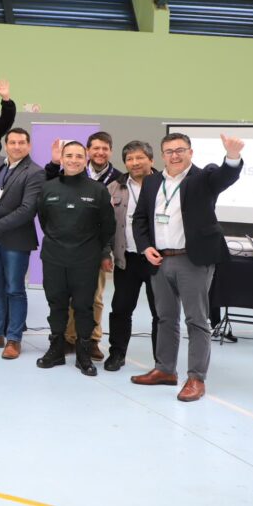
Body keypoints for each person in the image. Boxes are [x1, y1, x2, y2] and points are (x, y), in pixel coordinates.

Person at [130, 132, 244, 402]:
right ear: (162, 155)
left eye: (180, 150)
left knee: (196, 319)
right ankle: (165, 370)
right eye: (169, 151)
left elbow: (225, 177)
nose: (175, 155)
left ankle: (196, 378)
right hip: (159, 260)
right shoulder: (152, 181)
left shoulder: (203, 177)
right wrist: (145, 247)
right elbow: (140, 218)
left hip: (192, 260)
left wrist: (232, 156)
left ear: (190, 152)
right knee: (165, 318)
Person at [35, 141, 116, 377]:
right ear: (61, 158)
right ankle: (56, 350)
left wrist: (93, 249)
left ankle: (83, 354)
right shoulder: (48, 188)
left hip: (85, 259)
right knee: (56, 304)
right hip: (54, 257)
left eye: (79, 156)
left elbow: (107, 226)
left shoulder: (98, 190)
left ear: (86, 159)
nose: (73, 160)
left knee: (83, 306)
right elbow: (44, 220)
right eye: (69, 155)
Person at [0, 128, 45, 360]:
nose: (16, 146)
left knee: (14, 289)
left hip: (15, 241)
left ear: (29, 146)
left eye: (21, 143)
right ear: (6, 145)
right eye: (12, 142)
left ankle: (14, 339)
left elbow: (27, 210)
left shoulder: (35, 172)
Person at [104, 140, 160, 372]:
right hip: (127, 258)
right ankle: (117, 354)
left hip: (159, 260)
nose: (135, 163)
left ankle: (162, 361)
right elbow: (105, 224)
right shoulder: (114, 187)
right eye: (129, 159)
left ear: (151, 160)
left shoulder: (164, 185)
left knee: (161, 312)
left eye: (140, 158)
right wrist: (106, 253)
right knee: (121, 308)